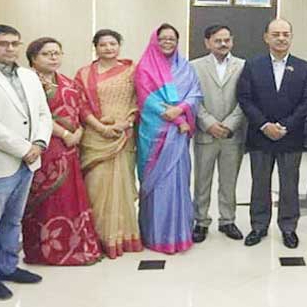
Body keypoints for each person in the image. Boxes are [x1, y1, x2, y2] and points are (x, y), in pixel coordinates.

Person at [0, 24, 52, 300]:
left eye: (15, 43)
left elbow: (43, 113)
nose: (10, 48)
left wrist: (39, 143)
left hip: (28, 161)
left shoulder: (29, 75)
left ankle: (7, 266)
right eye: (2, 43)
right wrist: (24, 148)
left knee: (13, 220)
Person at [21, 37, 102, 266]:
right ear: (33, 58)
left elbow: (80, 109)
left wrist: (79, 132)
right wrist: (66, 134)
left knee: (70, 197)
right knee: (47, 201)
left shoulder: (66, 81)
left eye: (57, 53)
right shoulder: (28, 82)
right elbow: (38, 115)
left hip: (71, 148)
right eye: (47, 54)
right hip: (45, 146)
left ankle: (73, 246)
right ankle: (45, 251)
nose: (53, 58)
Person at [236, 18, 307, 249]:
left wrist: (285, 126)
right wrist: (264, 125)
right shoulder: (252, 65)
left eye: (285, 34)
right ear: (266, 37)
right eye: (276, 34)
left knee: (289, 184)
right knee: (260, 183)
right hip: (261, 136)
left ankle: (288, 227)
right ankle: (259, 226)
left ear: (291, 37)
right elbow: (245, 98)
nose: (281, 38)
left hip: (291, 136)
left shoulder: (304, 67)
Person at [75, 29, 142, 259]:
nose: (108, 48)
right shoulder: (84, 74)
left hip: (123, 136)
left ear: (119, 46)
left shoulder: (132, 71)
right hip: (95, 137)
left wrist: (126, 122)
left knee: (123, 186)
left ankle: (123, 236)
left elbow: (138, 100)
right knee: (95, 188)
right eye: (103, 44)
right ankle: (98, 237)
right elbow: (81, 105)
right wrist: (100, 127)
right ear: (95, 47)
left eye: (113, 44)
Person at [135, 24, 202, 254]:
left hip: (178, 137)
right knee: (157, 183)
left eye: (171, 38)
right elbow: (146, 100)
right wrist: (178, 119)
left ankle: (179, 233)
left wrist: (180, 109)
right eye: (162, 38)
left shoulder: (185, 67)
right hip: (155, 134)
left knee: (178, 181)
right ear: (155, 40)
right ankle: (155, 235)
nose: (167, 42)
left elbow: (195, 93)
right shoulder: (144, 67)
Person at [190, 24, 246, 243]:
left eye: (227, 40)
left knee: (229, 181)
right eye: (218, 40)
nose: (223, 44)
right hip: (205, 133)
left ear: (232, 40)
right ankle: (201, 221)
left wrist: (230, 124)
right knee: (202, 181)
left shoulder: (243, 66)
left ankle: (228, 220)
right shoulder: (194, 66)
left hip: (232, 134)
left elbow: (246, 98)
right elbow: (192, 98)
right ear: (207, 42)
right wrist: (208, 123)